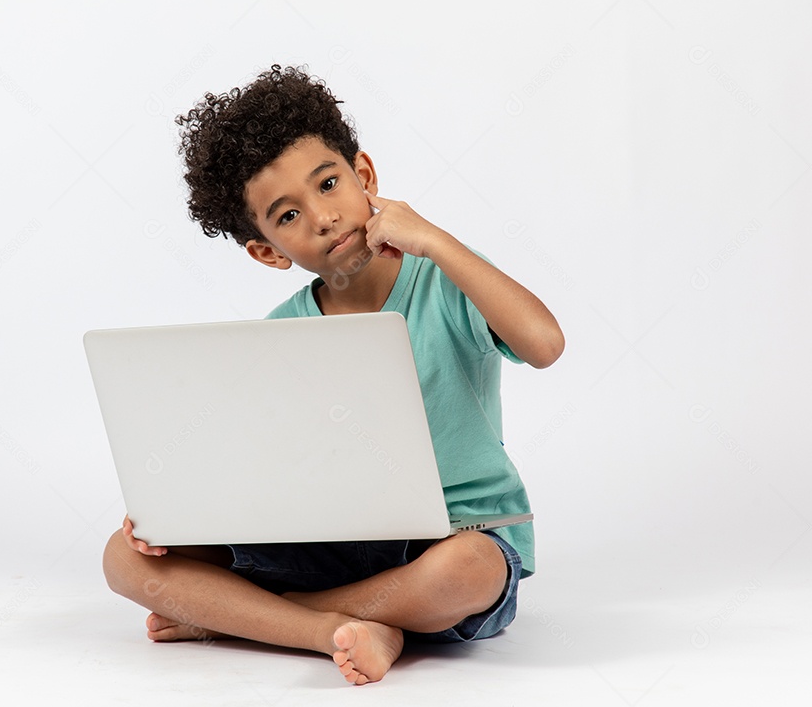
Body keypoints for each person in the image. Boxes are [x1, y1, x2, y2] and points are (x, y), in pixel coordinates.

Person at [102, 64, 564, 685]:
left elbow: (544, 344)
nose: (321, 217)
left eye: (328, 184)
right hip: (324, 544)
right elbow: (254, 463)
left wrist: (433, 237)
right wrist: (173, 515)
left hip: (451, 538)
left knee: (470, 571)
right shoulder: (279, 333)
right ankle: (335, 629)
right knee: (123, 559)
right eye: (286, 217)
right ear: (267, 251)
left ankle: (255, 619)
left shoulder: (446, 280)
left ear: (364, 176)